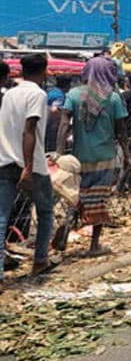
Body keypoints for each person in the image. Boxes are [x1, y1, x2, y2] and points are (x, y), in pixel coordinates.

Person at [59, 57, 129, 257]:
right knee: (99, 200)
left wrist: (59, 151)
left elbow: (64, 124)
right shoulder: (113, 98)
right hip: (105, 157)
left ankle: (66, 230)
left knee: (77, 197)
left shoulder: (73, 94)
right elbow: (121, 130)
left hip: (79, 157)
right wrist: (127, 155)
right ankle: (94, 244)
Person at [0, 53, 55, 278]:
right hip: (31, 164)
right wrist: (29, 168)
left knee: (2, 217)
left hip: (4, 160)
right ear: (44, 71)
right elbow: (29, 130)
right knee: (45, 212)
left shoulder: (9, 93)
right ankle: (40, 260)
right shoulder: (38, 94)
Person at [45, 76, 71, 152]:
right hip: (53, 126)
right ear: (67, 85)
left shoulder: (52, 92)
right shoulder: (59, 95)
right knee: (53, 149)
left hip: (47, 124)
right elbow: (54, 109)